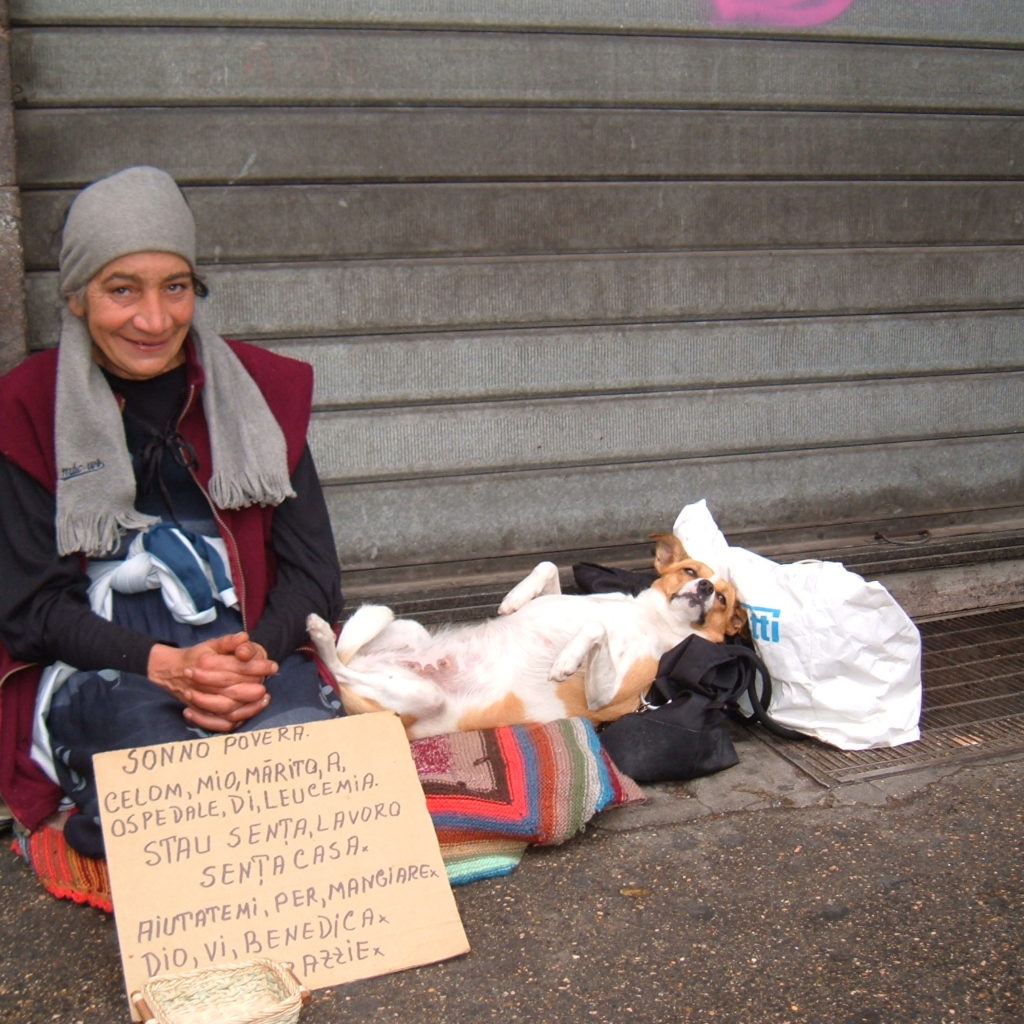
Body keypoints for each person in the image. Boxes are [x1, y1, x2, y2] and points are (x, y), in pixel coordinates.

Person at [0, 166, 344, 858]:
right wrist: (166, 667)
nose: (154, 320)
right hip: (104, 660)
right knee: (160, 777)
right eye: (122, 289)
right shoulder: (26, 409)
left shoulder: (263, 392)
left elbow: (314, 579)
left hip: (248, 650)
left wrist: (249, 659)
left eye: (175, 288)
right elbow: (31, 610)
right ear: (76, 298)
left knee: (309, 767)